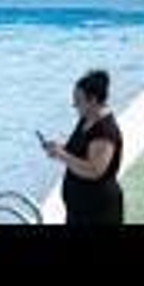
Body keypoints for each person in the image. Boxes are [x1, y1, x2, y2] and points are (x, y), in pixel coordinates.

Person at [42, 69, 125, 226]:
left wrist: (62, 155)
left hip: (98, 212)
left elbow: (94, 170)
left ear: (92, 100)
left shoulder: (104, 131)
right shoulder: (86, 119)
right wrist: (58, 149)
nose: (74, 105)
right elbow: (79, 152)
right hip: (79, 210)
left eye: (78, 100)